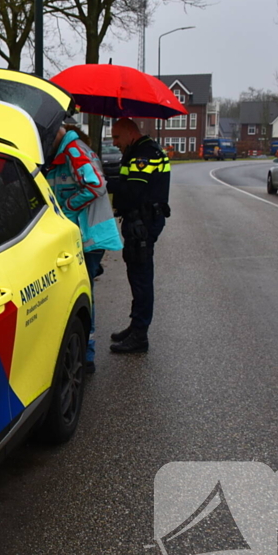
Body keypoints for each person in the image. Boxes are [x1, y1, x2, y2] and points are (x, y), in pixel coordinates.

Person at [46, 123, 123, 373]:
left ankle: (86, 355)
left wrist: (66, 208)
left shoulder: (73, 150)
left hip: (88, 237)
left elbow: (95, 185)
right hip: (86, 237)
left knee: (82, 293)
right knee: (82, 291)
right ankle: (84, 352)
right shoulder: (66, 151)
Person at [109, 118, 171, 353]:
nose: (114, 143)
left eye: (116, 137)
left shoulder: (143, 155)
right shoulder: (139, 150)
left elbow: (132, 189)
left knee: (141, 279)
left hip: (142, 224)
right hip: (141, 222)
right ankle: (136, 325)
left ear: (129, 133)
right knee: (136, 275)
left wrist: (104, 182)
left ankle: (140, 335)